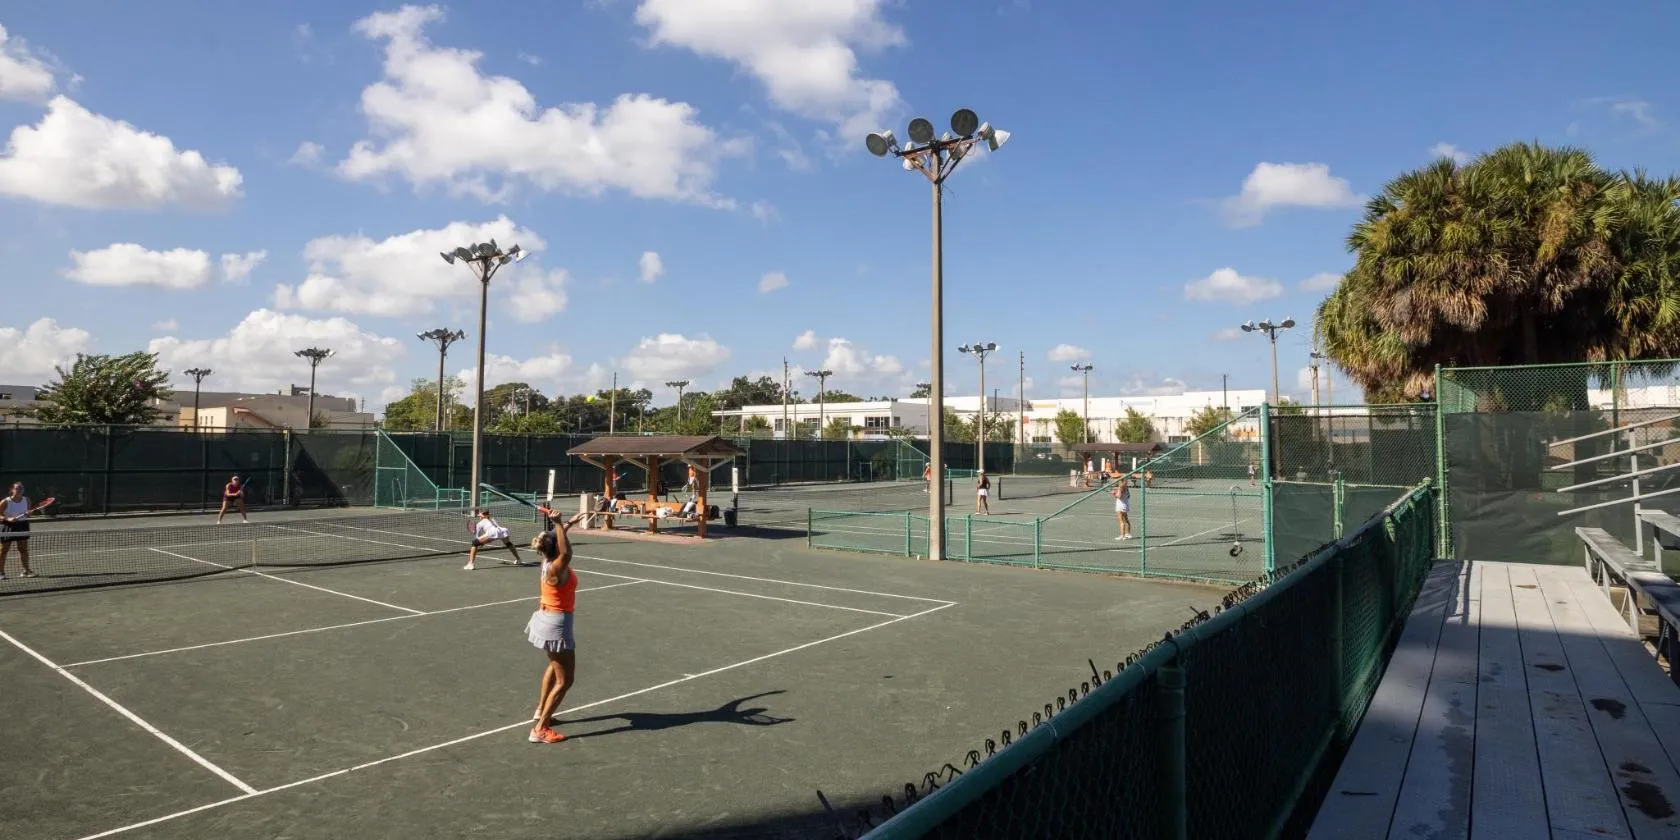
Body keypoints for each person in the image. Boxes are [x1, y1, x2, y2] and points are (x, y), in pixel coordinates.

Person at [526, 508, 589, 744]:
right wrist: (561, 524)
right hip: (557, 624)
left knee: (554, 667)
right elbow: (567, 551)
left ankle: (540, 711)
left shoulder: (546, 559)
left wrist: (566, 523)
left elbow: (555, 540)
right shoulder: (556, 566)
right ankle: (540, 729)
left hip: (545, 618)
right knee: (565, 680)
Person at [0, 482, 36, 579]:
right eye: (17, 488)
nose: (20, 490)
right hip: (8, 526)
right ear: (12, 490)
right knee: (3, 550)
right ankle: (1, 572)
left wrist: (29, 513)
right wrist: (7, 518)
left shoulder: (27, 500)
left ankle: (26, 571)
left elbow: (28, 513)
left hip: (22, 525)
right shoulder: (5, 502)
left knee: (23, 549)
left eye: (22, 488)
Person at [1112, 475, 1133, 540]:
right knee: (1126, 520)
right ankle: (1128, 534)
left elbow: (1119, 496)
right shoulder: (1126, 487)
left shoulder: (1120, 487)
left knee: (1121, 521)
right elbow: (1128, 496)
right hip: (1125, 505)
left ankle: (1122, 536)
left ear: (1121, 481)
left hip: (1120, 506)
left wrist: (1114, 494)